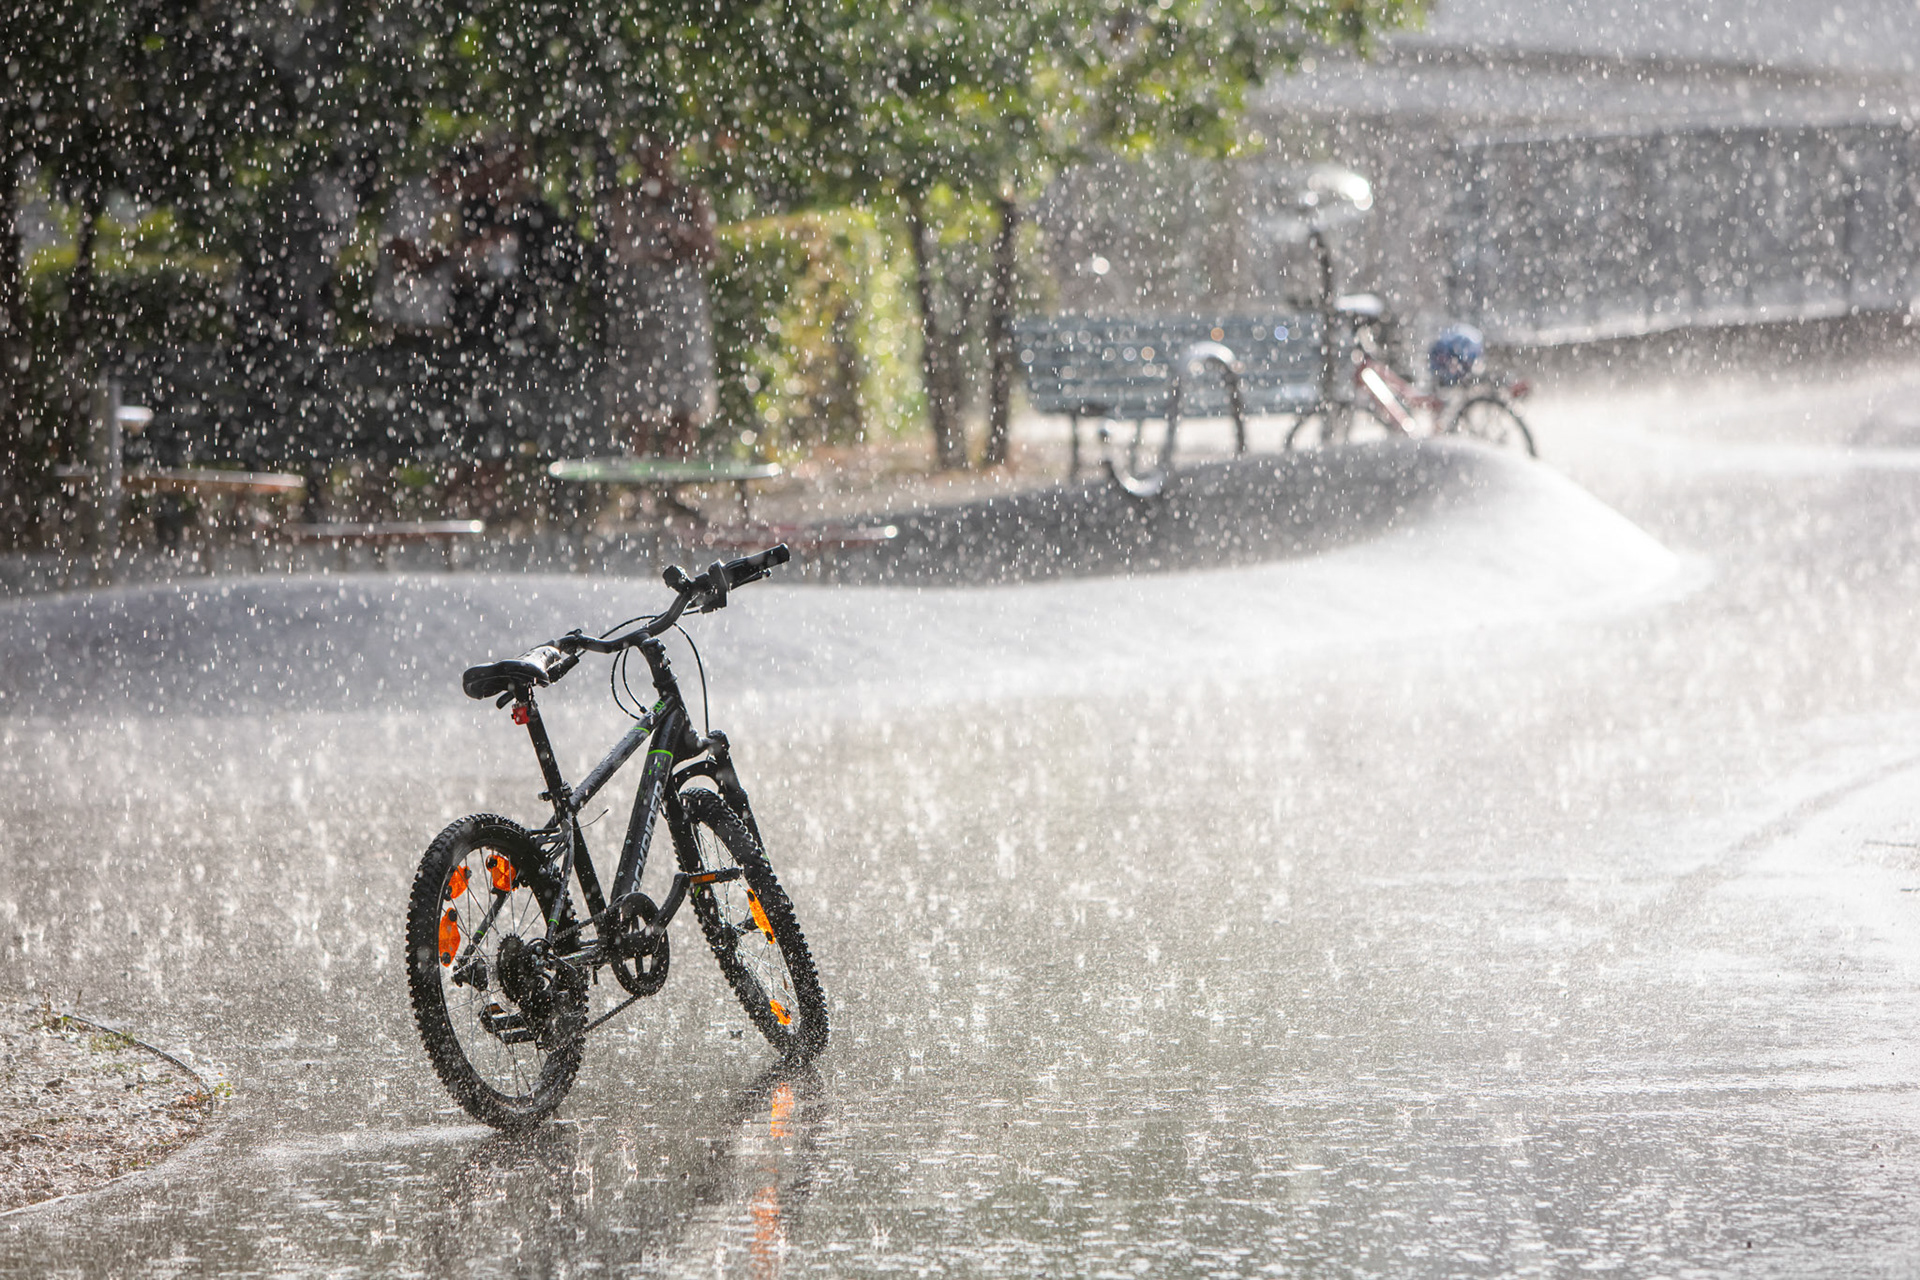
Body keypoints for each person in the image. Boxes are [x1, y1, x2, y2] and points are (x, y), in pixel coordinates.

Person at [601, 140, 717, 457]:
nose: (655, 159)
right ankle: (641, 484)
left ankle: (674, 481)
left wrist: (679, 234)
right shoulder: (626, 199)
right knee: (638, 402)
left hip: (682, 309)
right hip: (641, 309)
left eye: (661, 151)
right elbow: (620, 250)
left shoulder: (690, 197)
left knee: (685, 399)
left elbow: (710, 250)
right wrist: (658, 250)